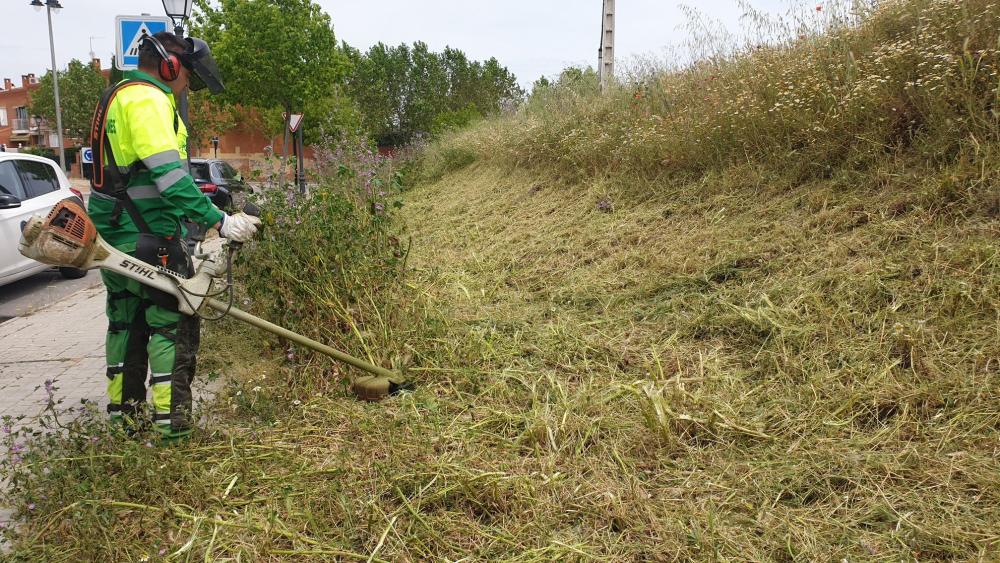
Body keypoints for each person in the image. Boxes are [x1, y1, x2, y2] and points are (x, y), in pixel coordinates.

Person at [88, 31, 260, 441]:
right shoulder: (148, 101)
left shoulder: (116, 97)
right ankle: (173, 436)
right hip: (149, 240)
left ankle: (125, 427)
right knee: (171, 329)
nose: (188, 87)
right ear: (169, 65)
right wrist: (220, 220)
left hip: (114, 241)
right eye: (188, 77)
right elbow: (169, 178)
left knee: (125, 330)